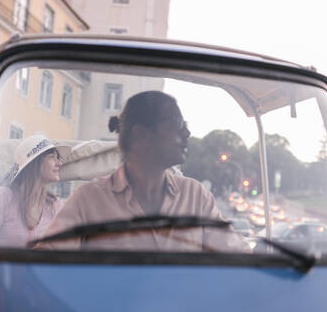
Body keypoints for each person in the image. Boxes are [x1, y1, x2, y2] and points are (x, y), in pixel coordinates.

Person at [40, 91, 249, 252]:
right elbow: (43, 266)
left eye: (185, 124)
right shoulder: (88, 200)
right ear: (140, 134)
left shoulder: (197, 197)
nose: (187, 132)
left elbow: (238, 256)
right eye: (176, 123)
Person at [0, 134, 70, 247]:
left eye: (57, 158)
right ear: (35, 163)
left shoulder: (55, 204)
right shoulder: (3, 196)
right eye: (52, 157)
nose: (59, 163)